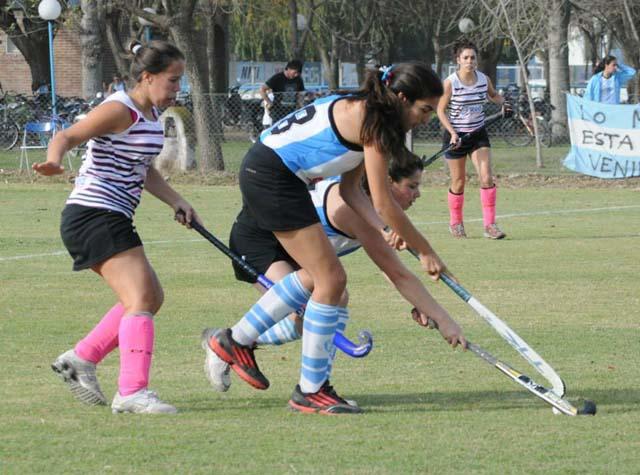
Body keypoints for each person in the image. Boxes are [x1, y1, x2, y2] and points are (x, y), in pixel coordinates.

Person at [203, 62, 466, 416]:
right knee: (330, 280)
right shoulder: (373, 122)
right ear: (402, 98)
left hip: (275, 174)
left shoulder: (369, 115)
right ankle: (299, 383)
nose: (427, 119)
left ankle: (243, 346)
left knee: (325, 282)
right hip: (272, 176)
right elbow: (383, 202)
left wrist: (384, 230)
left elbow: (350, 191)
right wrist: (426, 251)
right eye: (424, 109)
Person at [202, 152, 464, 396]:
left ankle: (231, 341)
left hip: (294, 251)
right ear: (386, 183)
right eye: (411, 186)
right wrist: (444, 320)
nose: (418, 194)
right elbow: (398, 274)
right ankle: (233, 345)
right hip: (260, 240)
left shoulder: (372, 211)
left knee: (330, 302)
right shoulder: (354, 210)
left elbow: (389, 267)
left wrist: (420, 304)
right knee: (310, 307)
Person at [33, 40, 199, 414]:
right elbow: (67, 136)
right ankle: (131, 392)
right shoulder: (119, 109)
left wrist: (177, 201)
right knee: (140, 297)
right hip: (93, 213)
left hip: (113, 215)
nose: (178, 89)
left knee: (151, 296)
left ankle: (82, 358)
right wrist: (54, 161)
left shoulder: (150, 114)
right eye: (173, 80)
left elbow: (142, 168)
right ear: (147, 77)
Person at [437, 39, 509, 240]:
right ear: (458, 60)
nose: (470, 61)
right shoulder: (451, 83)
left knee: (486, 178)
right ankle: (456, 223)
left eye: (473, 58)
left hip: (478, 134)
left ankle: (490, 226)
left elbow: (493, 95)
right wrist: (452, 133)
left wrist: (504, 103)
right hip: (456, 136)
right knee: (459, 182)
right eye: (466, 58)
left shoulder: (483, 80)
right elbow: (440, 111)